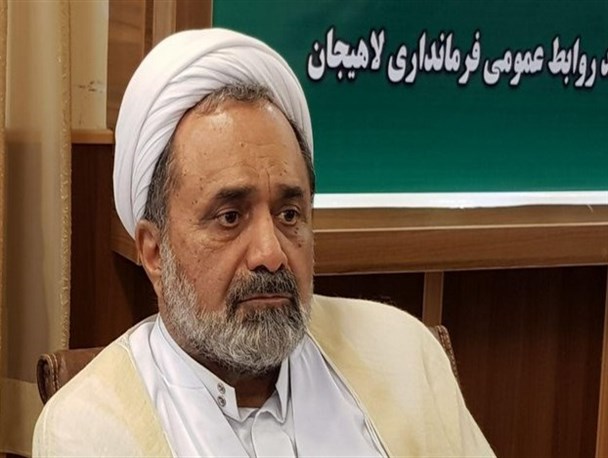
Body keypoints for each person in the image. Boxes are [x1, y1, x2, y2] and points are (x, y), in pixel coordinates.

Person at [33, 29, 494, 457]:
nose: (271, 255)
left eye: (289, 214)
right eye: (230, 218)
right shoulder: (88, 431)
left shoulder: (403, 353)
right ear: (154, 252)